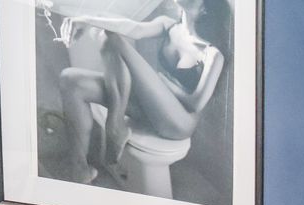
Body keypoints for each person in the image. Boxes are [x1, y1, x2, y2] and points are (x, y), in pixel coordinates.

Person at [57, 0, 230, 185]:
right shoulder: (169, 25)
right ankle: (80, 170)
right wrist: (86, 19)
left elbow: (196, 103)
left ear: (204, 8)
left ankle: (115, 125)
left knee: (111, 38)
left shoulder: (212, 54)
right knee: (71, 81)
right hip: (152, 107)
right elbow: (133, 28)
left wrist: (164, 83)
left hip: (179, 122)